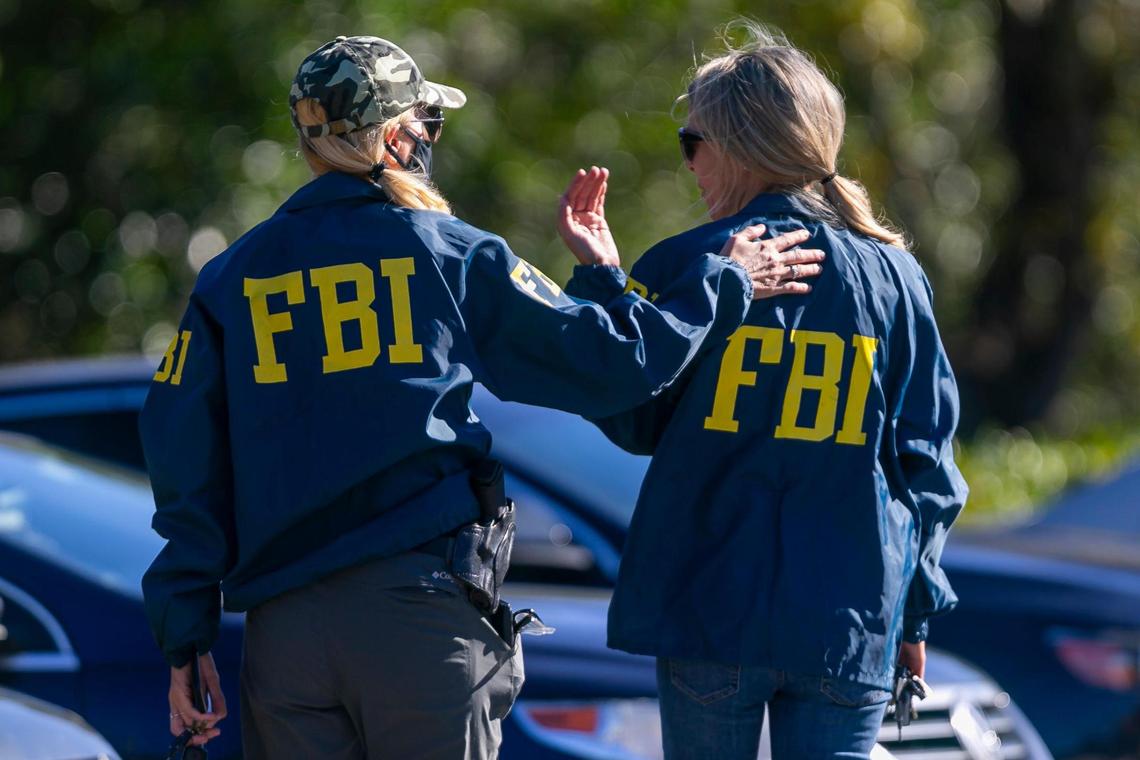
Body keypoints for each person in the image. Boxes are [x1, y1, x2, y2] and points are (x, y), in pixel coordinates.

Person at [139, 34, 824, 760]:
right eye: (429, 127)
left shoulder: (231, 278)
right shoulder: (446, 251)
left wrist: (185, 635)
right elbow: (613, 363)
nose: (432, 140)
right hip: (418, 625)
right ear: (401, 139)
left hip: (284, 639)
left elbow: (184, 464)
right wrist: (724, 282)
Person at [558, 21, 969, 760]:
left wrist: (603, 286)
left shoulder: (686, 264)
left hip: (712, 614)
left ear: (737, 147)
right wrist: (916, 614)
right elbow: (927, 466)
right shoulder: (897, 278)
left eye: (692, 142)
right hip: (848, 622)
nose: (688, 165)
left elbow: (629, 416)